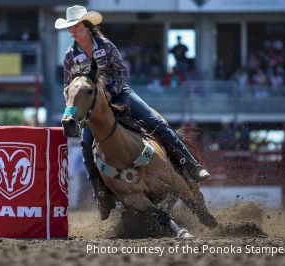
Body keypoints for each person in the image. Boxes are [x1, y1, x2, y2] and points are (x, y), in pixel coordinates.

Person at [55, 5, 211, 220]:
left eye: (76, 26)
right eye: (70, 27)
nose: (73, 30)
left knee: (154, 120)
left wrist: (109, 93)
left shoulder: (106, 46)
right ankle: (101, 195)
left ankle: (191, 164)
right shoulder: (70, 56)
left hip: (119, 94)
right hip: (93, 105)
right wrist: (76, 105)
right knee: (86, 145)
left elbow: (122, 72)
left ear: (87, 26)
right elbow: (68, 85)